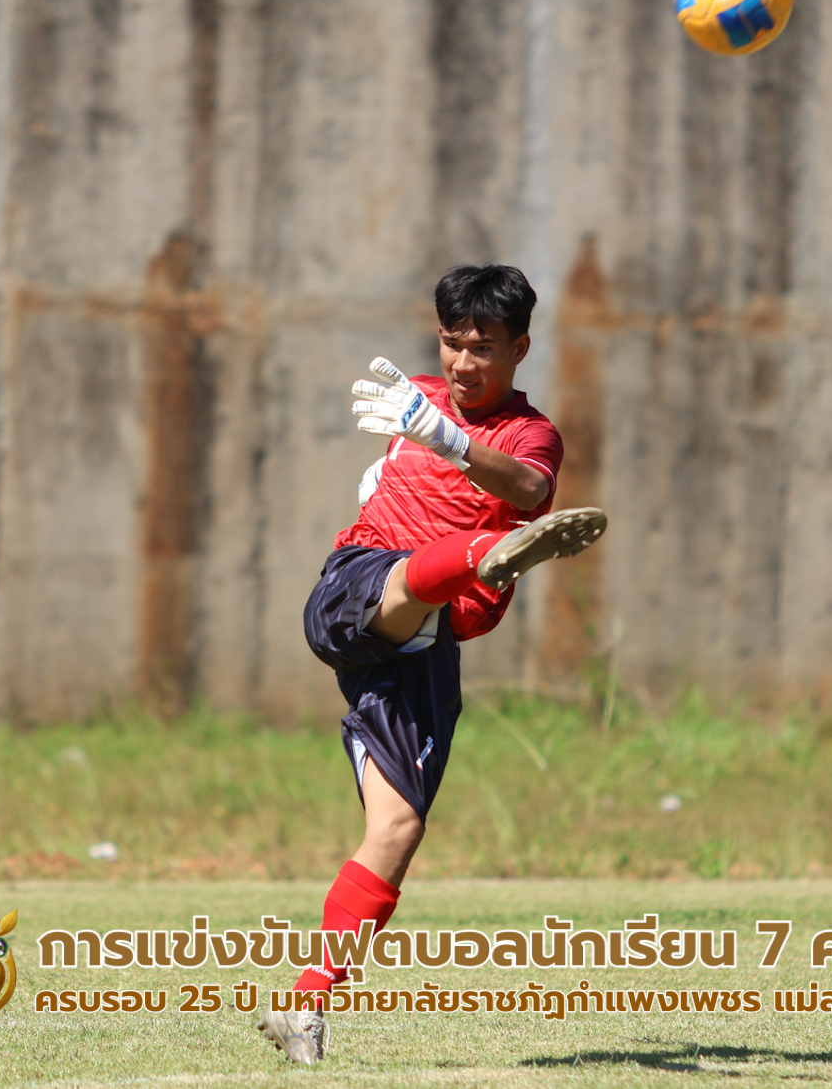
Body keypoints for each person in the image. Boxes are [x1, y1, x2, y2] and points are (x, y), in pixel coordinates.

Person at [254, 264, 607, 1065]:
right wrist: (393, 459)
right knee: (416, 577)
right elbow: (396, 467)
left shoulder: (529, 433)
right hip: (357, 589)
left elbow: (529, 483)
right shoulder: (410, 397)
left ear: (520, 348)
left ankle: (305, 1006)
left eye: (484, 348)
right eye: (451, 343)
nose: (462, 363)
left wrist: (444, 438)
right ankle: (486, 555)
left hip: (424, 646)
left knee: (399, 828)